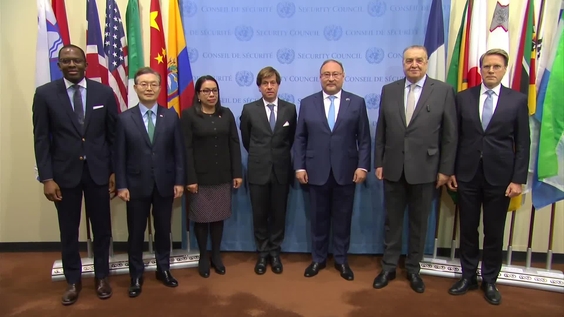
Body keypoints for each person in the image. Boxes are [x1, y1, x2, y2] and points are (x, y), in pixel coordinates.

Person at [32, 44, 117, 305]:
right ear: (58, 65)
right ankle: (72, 280)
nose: (72, 65)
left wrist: (114, 172)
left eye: (76, 61)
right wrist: (46, 178)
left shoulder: (104, 92)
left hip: (99, 173)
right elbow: (41, 139)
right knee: (68, 230)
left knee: (102, 229)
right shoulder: (45, 94)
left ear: (85, 64)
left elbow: (113, 136)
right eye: (66, 61)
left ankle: (102, 276)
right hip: (63, 175)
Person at [447, 48, 530, 305]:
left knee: (494, 232)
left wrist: (518, 179)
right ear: (480, 69)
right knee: (469, 229)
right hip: (467, 175)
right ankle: (468, 276)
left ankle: (490, 280)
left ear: (505, 70)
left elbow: (523, 143)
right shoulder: (463, 98)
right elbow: (453, 138)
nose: (491, 71)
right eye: (487, 66)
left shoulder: (516, 100)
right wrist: (449, 170)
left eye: (496, 66)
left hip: (501, 178)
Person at [373, 45, 457, 293]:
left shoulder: (443, 91)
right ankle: (388, 266)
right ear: (403, 64)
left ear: (427, 63)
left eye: (419, 60)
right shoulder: (390, 90)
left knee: (420, 223)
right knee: (392, 221)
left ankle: (413, 269)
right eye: (409, 60)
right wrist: (379, 162)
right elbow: (382, 130)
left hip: (426, 169)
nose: (414, 65)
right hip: (393, 167)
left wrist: (445, 169)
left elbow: (450, 135)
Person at [294, 59, 371, 281]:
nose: (330, 78)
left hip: (346, 171)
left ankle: (341, 260)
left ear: (343, 76)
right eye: (326, 74)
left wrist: (362, 166)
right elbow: (300, 137)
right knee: (317, 219)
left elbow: (364, 139)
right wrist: (299, 166)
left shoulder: (356, 102)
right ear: (320, 78)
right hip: (315, 171)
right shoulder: (307, 103)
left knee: (342, 218)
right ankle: (317, 259)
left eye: (335, 74)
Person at [115, 67, 185, 297]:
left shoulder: (171, 116)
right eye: (143, 84)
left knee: (163, 230)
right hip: (135, 186)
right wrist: (122, 185)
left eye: (153, 84)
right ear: (135, 88)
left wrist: (179, 181)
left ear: (160, 87)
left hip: (165, 184)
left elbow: (178, 152)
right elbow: (119, 155)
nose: (148, 88)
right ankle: (136, 274)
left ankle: (163, 269)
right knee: (136, 232)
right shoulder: (124, 119)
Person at [181, 75, 243, 278]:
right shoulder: (189, 116)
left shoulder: (226, 114)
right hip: (199, 178)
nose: (211, 94)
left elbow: (234, 144)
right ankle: (203, 256)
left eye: (214, 90)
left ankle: (216, 255)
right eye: (206, 91)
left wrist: (237, 173)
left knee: (218, 218)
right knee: (201, 219)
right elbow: (186, 149)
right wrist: (190, 178)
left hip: (222, 176)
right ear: (198, 94)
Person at [240, 66, 297, 275]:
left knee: (279, 214)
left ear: (279, 85)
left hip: (281, 171)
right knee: (260, 215)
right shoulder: (249, 110)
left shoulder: (290, 109)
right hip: (258, 171)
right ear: (259, 86)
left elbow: (292, 139)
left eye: (273, 82)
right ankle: (262, 253)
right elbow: (247, 140)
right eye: (265, 83)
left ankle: (275, 252)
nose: (269, 87)